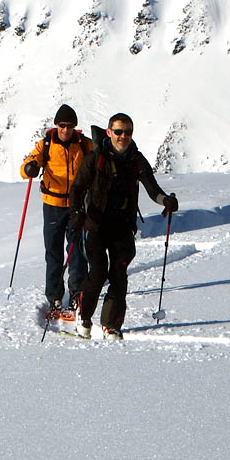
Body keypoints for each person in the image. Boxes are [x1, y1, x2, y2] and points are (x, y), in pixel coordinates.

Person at [68, 112, 178, 340]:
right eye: (118, 132)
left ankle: (111, 325)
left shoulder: (136, 160)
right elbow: (77, 189)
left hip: (122, 225)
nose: (123, 136)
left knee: (119, 274)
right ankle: (84, 314)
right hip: (95, 225)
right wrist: (77, 213)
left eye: (127, 132)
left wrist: (165, 200)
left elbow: (152, 188)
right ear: (109, 133)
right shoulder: (95, 158)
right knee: (98, 272)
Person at [20, 104, 91, 313]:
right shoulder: (46, 145)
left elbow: (100, 158)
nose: (65, 130)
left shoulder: (85, 145)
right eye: (62, 125)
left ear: (74, 127)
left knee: (77, 251)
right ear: (56, 125)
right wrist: (29, 168)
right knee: (53, 252)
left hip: (77, 205)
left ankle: (77, 294)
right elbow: (28, 165)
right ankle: (54, 296)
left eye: (69, 126)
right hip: (52, 205)